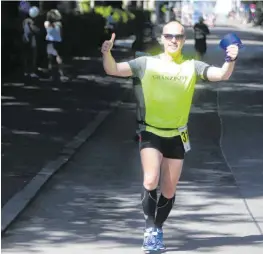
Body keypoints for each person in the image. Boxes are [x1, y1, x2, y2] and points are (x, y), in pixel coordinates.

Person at [101, 20, 238, 252]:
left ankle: (158, 227)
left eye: (179, 37)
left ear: (184, 40)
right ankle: (150, 229)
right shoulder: (146, 63)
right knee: (150, 179)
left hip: (177, 135)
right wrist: (106, 53)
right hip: (150, 131)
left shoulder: (191, 66)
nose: (174, 40)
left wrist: (230, 59)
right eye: (169, 36)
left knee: (169, 189)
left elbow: (222, 75)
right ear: (161, 39)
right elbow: (113, 69)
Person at [44, 9, 67, 81]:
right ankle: (59, 73)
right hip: (56, 41)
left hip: (51, 41)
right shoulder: (58, 24)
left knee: (53, 58)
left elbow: (48, 27)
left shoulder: (48, 23)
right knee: (55, 57)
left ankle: (54, 73)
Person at [22, 6, 40, 78]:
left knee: (26, 56)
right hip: (31, 40)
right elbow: (33, 30)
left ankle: (26, 71)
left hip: (25, 39)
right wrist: (38, 30)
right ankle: (32, 71)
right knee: (33, 56)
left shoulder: (24, 21)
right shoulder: (30, 21)